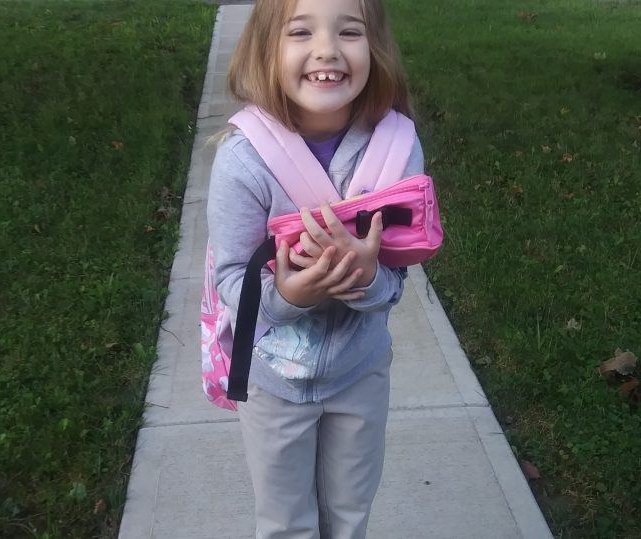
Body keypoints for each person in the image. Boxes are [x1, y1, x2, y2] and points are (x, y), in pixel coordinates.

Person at [206, 0, 425, 536]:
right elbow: (231, 278)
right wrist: (289, 295)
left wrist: (368, 278)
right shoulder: (244, 159)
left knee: (349, 514)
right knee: (286, 522)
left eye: (349, 32)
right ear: (266, 48)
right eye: (300, 32)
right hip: (273, 381)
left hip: (359, 371)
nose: (327, 49)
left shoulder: (396, 148)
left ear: (374, 46)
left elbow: (396, 277)